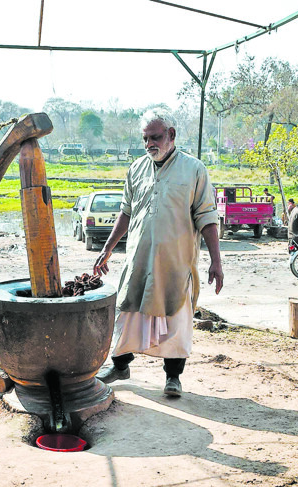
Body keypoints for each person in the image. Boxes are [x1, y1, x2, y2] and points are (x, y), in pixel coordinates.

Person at [92, 109, 223, 398]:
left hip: (175, 262)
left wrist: (216, 261)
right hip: (139, 259)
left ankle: (173, 377)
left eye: (155, 137)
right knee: (128, 313)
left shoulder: (194, 169)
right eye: (145, 138)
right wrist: (107, 250)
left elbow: (207, 217)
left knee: (176, 319)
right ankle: (121, 365)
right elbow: (125, 212)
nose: (149, 143)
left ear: (171, 135)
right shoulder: (136, 168)